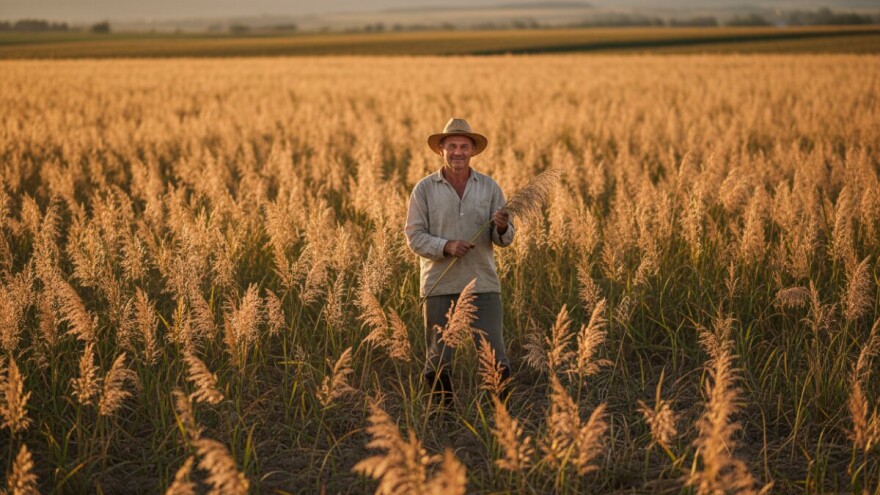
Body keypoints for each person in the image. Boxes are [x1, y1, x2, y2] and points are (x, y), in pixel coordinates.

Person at [405, 118, 514, 407]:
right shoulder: (424, 189)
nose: (458, 152)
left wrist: (501, 227)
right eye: (451, 145)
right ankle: (445, 417)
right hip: (439, 284)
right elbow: (414, 237)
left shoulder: (490, 188)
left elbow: (505, 239)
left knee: (495, 355)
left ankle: (500, 418)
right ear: (441, 149)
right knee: (438, 358)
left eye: (464, 146)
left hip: (483, 282)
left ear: (473, 151)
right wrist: (446, 246)